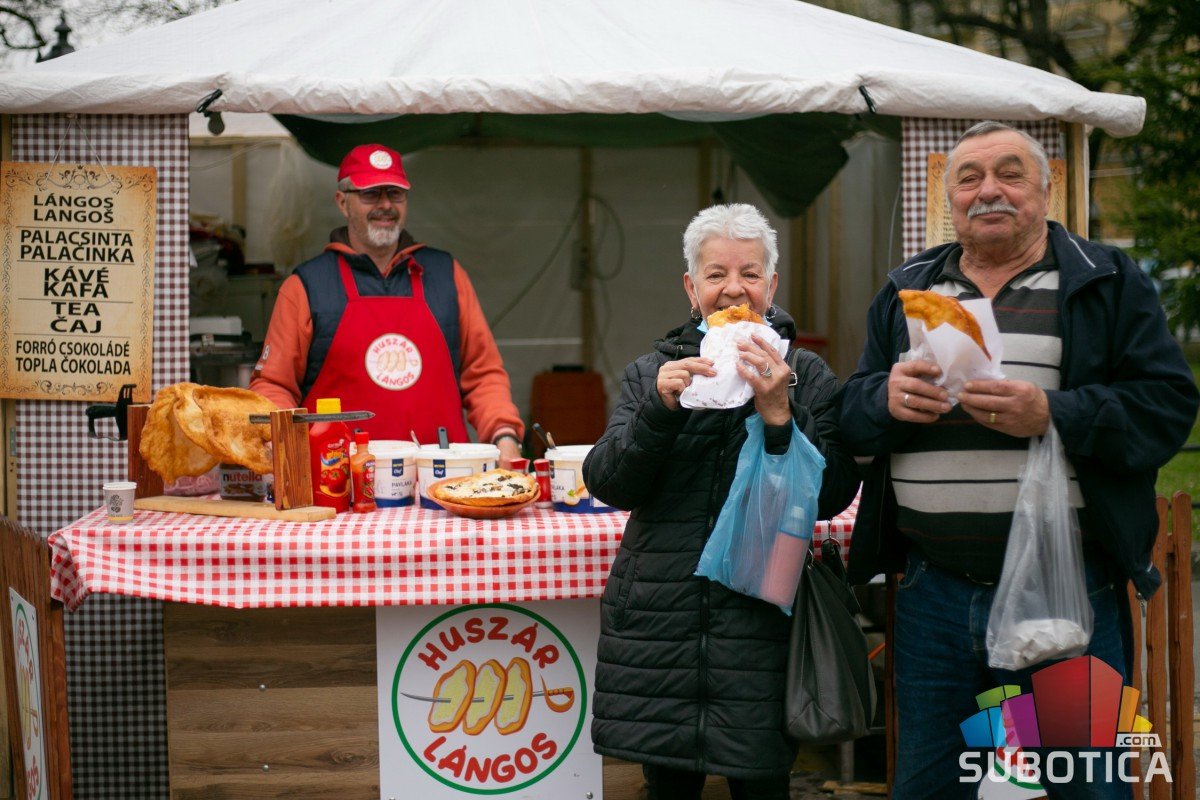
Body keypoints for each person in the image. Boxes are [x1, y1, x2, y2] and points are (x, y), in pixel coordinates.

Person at [840, 121, 1199, 799]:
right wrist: (883, 400)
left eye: (1009, 173)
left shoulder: (1105, 279)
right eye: (969, 178)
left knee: (1083, 783)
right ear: (949, 198)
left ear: (1046, 189)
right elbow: (851, 413)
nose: (989, 191)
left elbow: (1165, 407)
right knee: (929, 786)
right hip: (934, 592)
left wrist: (1054, 414)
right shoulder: (909, 287)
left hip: (1066, 586)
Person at [584, 204, 859, 800]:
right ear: (692, 289)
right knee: (668, 788)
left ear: (771, 286)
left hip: (762, 627)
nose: (734, 288)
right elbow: (609, 482)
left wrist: (780, 414)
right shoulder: (655, 372)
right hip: (660, 625)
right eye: (716, 275)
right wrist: (659, 411)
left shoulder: (804, 374)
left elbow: (835, 493)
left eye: (750, 273)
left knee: (761, 787)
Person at [250, 144, 523, 460]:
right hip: (338, 480)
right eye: (370, 194)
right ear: (342, 202)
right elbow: (274, 385)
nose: (385, 205)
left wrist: (504, 435)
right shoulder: (306, 286)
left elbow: (484, 375)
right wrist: (280, 443)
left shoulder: (447, 274)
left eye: (395, 194)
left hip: (442, 478)